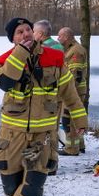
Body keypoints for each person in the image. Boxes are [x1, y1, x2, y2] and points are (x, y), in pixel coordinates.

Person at [0, 17, 87, 196]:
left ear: (35, 32)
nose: (25, 34)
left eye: (27, 30)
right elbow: (5, 81)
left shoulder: (54, 59)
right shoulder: (2, 62)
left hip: (43, 135)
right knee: (10, 181)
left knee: (34, 181)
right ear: (12, 39)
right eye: (19, 32)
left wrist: (80, 120)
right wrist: (21, 54)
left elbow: (69, 93)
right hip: (11, 134)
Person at [33, 19, 64, 172]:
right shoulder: (58, 45)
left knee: (48, 129)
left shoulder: (45, 48)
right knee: (52, 128)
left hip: (50, 97)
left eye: (33, 32)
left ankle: (50, 163)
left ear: (40, 33)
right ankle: (51, 162)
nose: (31, 35)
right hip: (56, 95)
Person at [57, 27, 88, 156]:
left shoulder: (75, 52)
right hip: (74, 90)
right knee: (74, 120)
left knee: (68, 120)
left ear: (67, 37)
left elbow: (75, 75)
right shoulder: (70, 50)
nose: (58, 39)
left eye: (60, 36)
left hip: (74, 91)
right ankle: (80, 145)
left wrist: (67, 91)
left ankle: (71, 149)